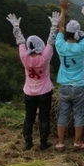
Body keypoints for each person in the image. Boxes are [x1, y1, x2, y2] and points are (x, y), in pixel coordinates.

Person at [6, 12, 58, 151]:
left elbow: (21, 42)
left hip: (29, 92)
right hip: (45, 92)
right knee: (44, 118)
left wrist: (16, 27)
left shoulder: (24, 57)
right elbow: (51, 41)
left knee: (29, 117)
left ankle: (28, 142)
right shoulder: (44, 57)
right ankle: (43, 143)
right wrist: (54, 25)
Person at [55, 0, 84, 152]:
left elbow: (60, 27)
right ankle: (78, 142)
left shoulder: (60, 45)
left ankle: (60, 143)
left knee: (63, 113)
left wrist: (63, 10)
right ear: (77, 33)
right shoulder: (81, 48)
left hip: (64, 86)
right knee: (79, 114)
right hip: (79, 86)